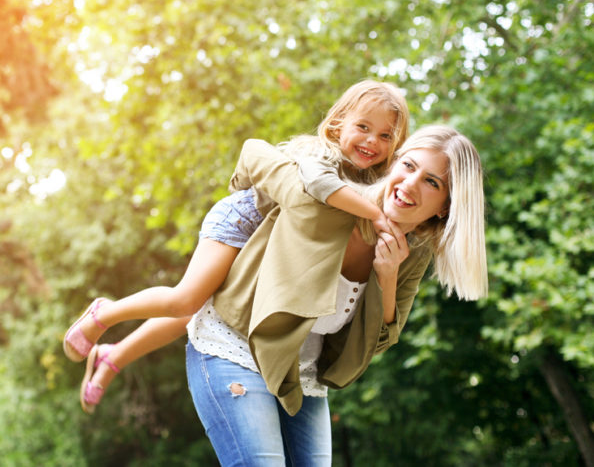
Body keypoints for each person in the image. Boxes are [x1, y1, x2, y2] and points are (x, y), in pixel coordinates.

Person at [62, 80, 410, 413]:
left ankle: (113, 356)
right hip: (244, 221)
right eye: (363, 127)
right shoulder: (319, 154)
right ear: (337, 124)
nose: (371, 141)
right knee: (188, 299)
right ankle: (103, 314)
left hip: (274, 245)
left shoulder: (377, 182)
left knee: (198, 313)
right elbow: (319, 186)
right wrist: (376, 215)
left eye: (384, 136)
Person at [185, 125, 488, 465]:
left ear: (445, 207)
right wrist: (238, 202)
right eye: (408, 166)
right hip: (235, 345)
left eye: (432, 182)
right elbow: (256, 154)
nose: (410, 184)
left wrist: (387, 277)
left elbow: (382, 340)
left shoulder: (413, 253)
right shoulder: (333, 198)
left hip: (302, 376)